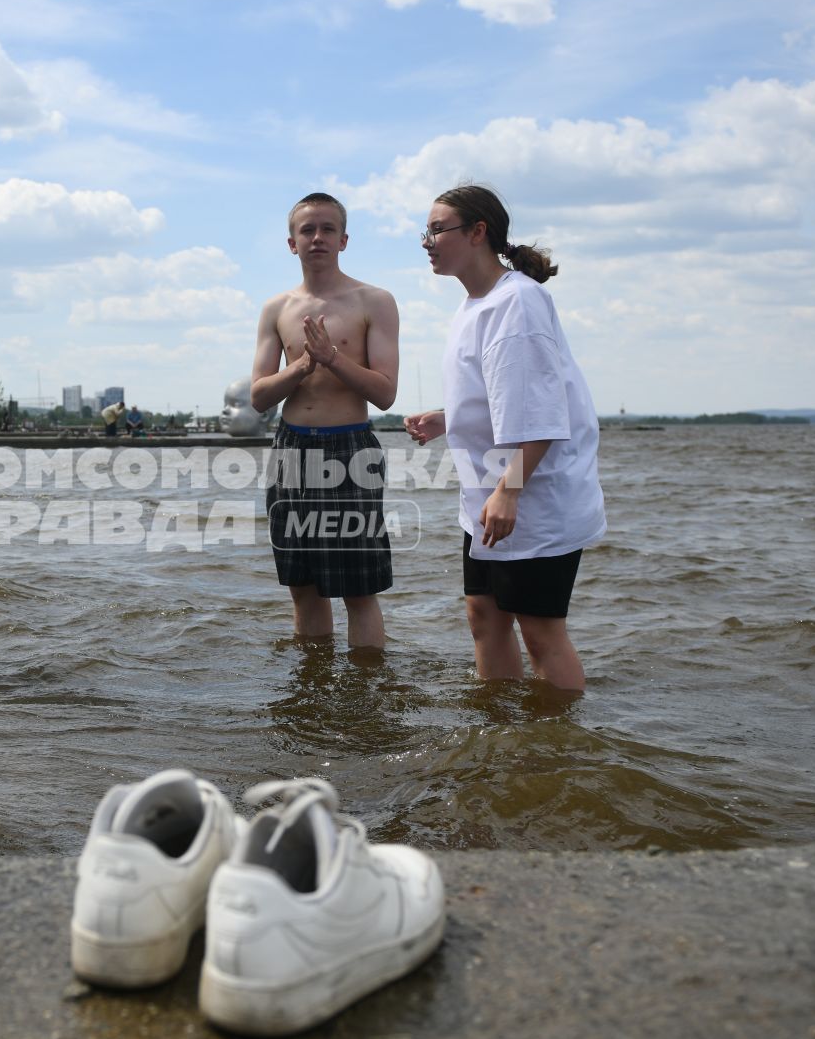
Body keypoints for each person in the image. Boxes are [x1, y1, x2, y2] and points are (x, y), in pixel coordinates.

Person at [403, 185, 604, 691]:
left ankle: (555, 749)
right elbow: (500, 391)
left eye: (437, 228)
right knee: (483, 617)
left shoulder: (517, 301)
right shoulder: (476, 303)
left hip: (530, 496)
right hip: (488, 494)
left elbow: (542, 412)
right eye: (425, 230)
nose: (427, 241)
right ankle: (501, 731)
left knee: (541, 632)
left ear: (478, 233)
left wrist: (509, 490)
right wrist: (451, 417)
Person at [250, 193, 400, 651]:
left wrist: (332, 359)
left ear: (344, 240)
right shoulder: (277, 309)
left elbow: (385, 393)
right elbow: (258, 396)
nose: (318, 238)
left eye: (328, 229)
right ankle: (313, 694)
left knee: (359, 588)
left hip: (349, 447)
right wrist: (300, 368)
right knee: (303, 585)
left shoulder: (374, 301)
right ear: (291, 243)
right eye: (307, 230)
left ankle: (364, 696)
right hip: (291, 449)